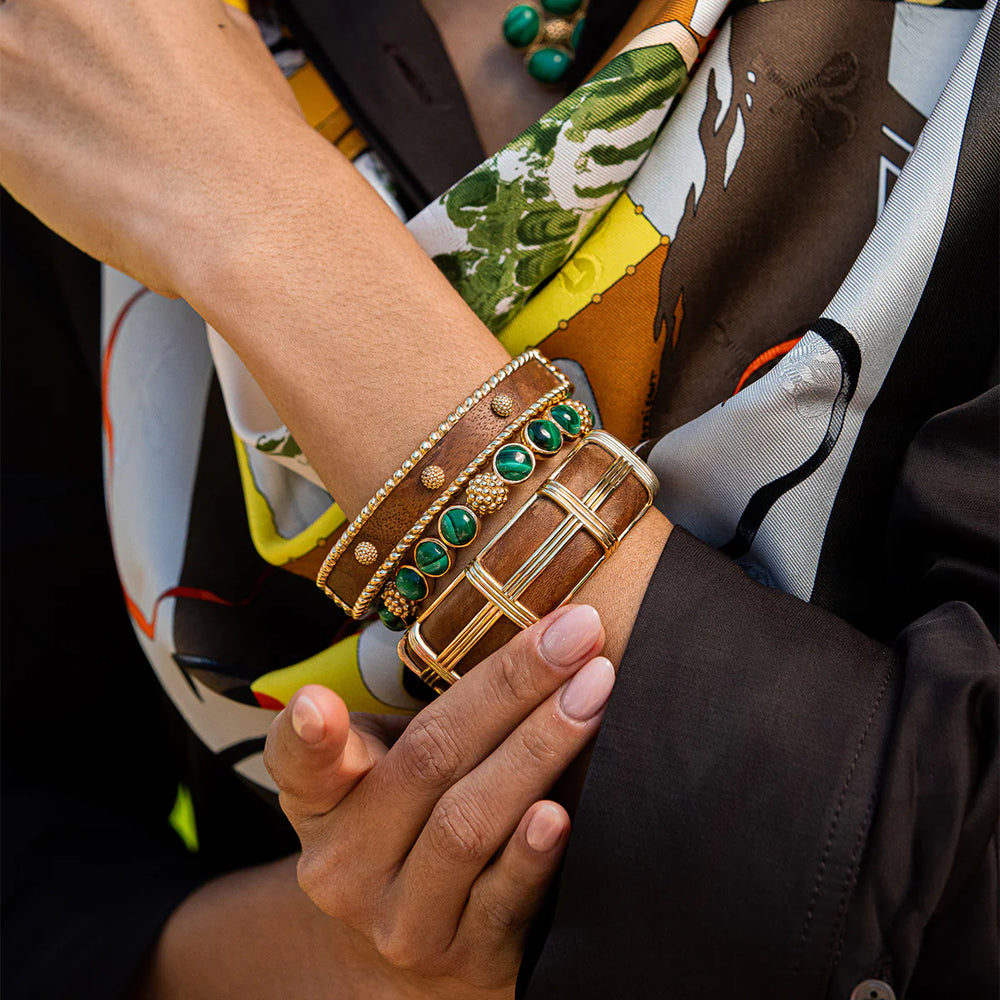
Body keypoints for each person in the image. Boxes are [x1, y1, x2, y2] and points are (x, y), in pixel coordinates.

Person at [1, 1, 996, 998]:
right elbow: (42, 870)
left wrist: (263, 225)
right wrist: (355, 955)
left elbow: (963, 896)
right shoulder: (68, 40)